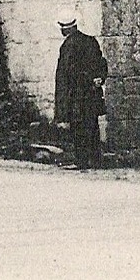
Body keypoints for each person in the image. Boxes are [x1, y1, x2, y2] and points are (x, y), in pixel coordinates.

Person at [53, 9, 108, 168]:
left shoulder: (67, 46)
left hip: (76, 94)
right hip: (91, 92)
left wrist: (62, 102)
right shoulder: (91, 41)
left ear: (66, 28)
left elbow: (64, 74)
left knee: (78, 127)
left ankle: (82, 161)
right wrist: (99, 78)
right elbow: (101, 64)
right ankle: (96, 160)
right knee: (92, 125)